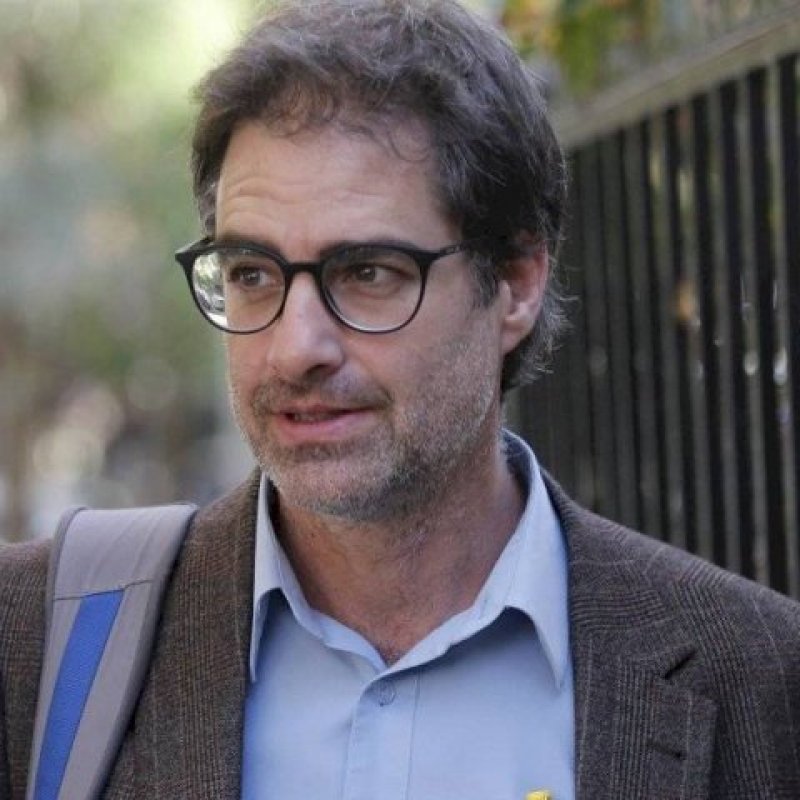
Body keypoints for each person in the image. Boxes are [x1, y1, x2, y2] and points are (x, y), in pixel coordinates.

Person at [2, 1, 800, 797]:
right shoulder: (36, 642)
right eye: (252, 274)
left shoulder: (754, 680)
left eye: (367, 273)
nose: (296, 347)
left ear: (516, 283)